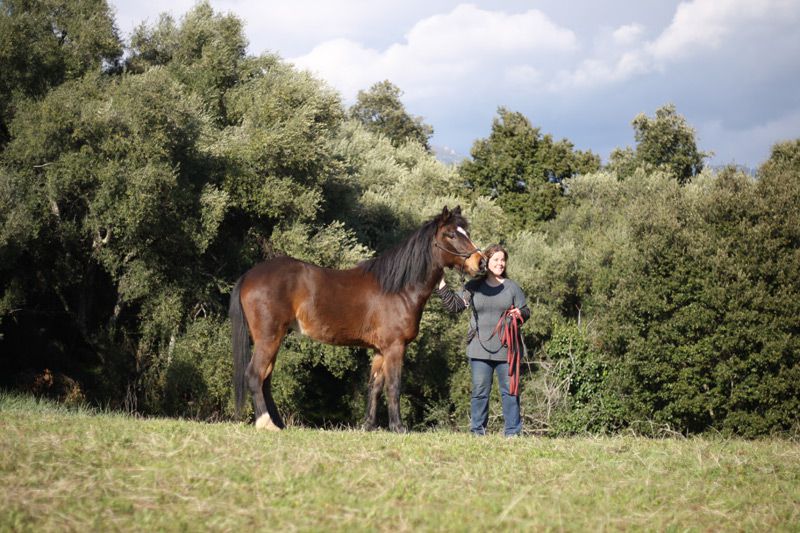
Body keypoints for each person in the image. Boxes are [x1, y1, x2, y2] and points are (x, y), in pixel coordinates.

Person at [437, 244, 530, 436]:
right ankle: (478, 432)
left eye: (503, 260)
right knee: (480, 393)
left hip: (507, 350)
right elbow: (455, 306)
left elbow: (525, 311)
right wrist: (441, 284)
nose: (500, 263)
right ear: (487, 262)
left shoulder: (512, 287)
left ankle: (513, 433)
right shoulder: (474, 286)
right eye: (496, 259)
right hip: (478, 349)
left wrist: (519, 313)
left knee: (510, 392)